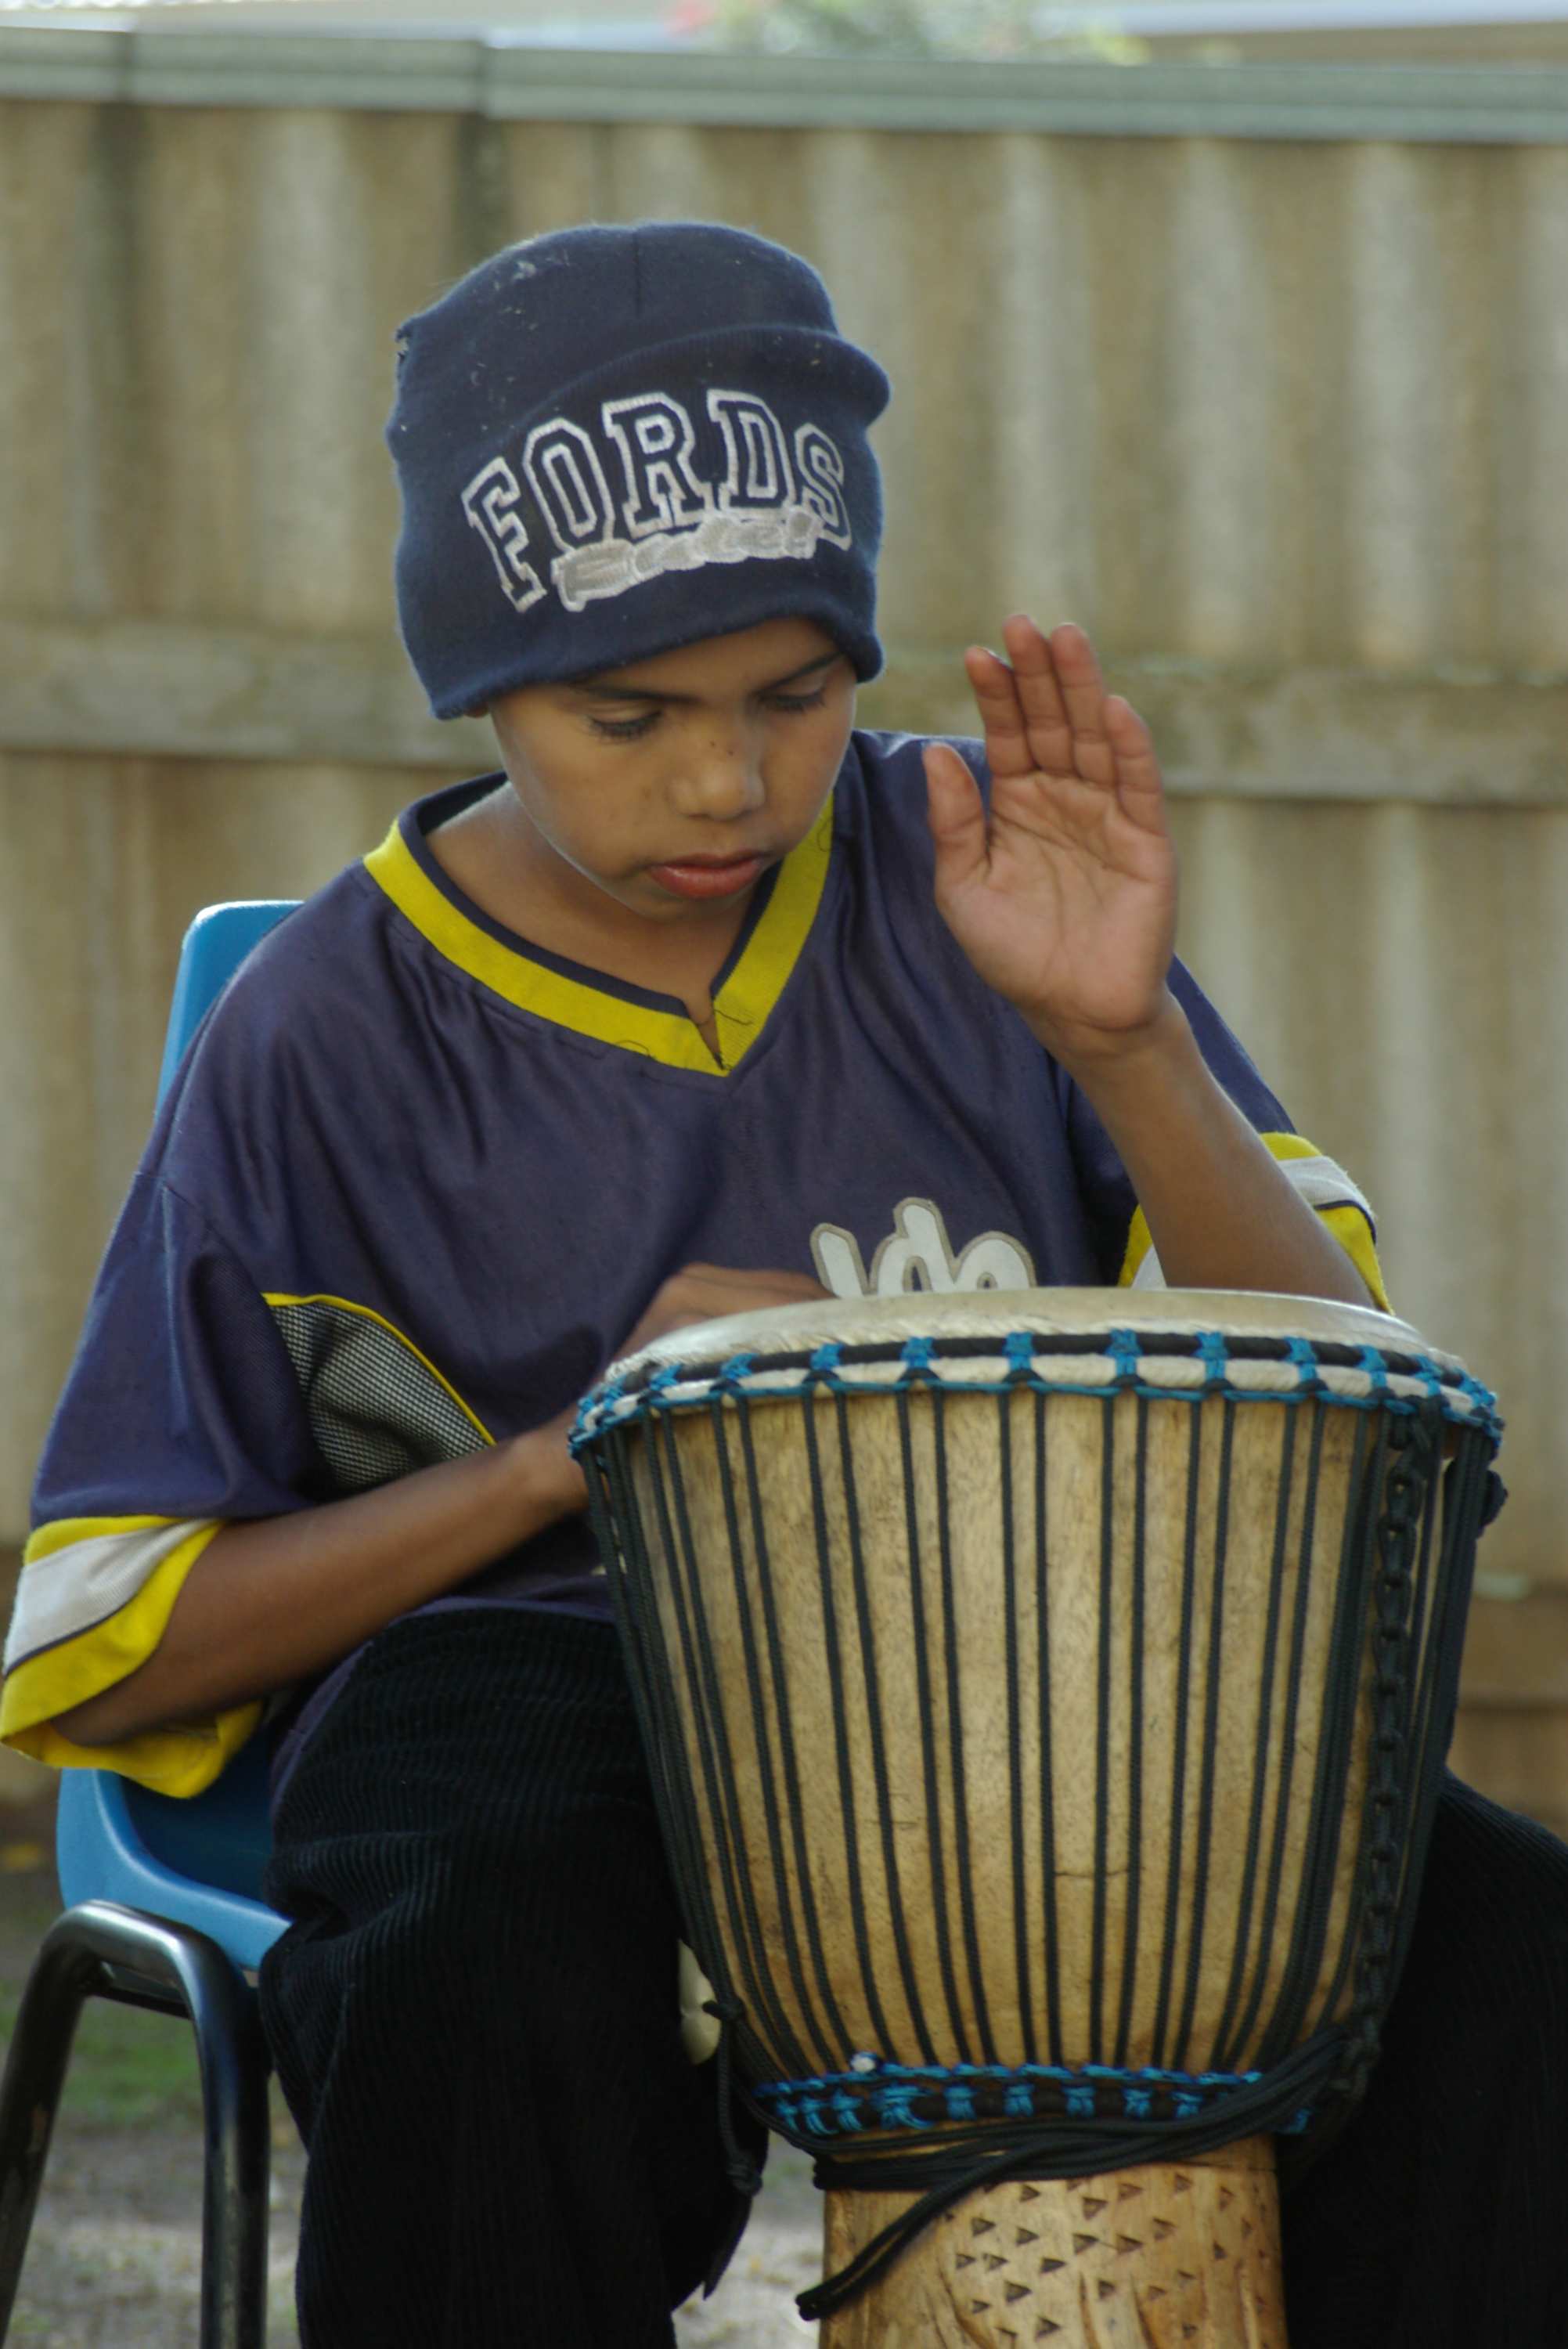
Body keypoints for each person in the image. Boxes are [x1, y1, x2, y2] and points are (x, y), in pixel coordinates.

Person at [3, 222, 1563, 2349]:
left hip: (1052, 1682)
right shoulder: (323, 1030)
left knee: (1499, 1957)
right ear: (474, 681)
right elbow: (95, 1654)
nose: (723, 782)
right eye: (623, 712)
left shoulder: (970, 871)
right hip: (540, 1692)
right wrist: (575, 1457)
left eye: (792, 697)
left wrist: (1121, 1042)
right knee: (479, 1949)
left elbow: (1346, 1392)